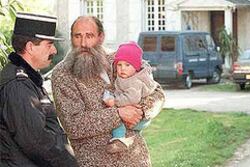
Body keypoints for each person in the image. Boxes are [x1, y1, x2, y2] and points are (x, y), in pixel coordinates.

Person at [51, 16, 165, 166]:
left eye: (89, 36)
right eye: (77, 36)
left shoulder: (120, 59)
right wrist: (118, 114)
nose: (83, 43)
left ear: (101, 37)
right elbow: (73, 124)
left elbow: (158, 93)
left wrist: (141, 111)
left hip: (136, 159)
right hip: (96, 162)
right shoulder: (62, 74)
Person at [0, 12, 78, 167]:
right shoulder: (18, 85)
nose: (54, 51)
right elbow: (36, 142)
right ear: (30, 47)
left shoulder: (27, 79)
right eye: (49, 44)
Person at [103, 41, 161, 154]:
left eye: (127, 65)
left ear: (136, 67)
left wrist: (114, 101)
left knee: (116, 120)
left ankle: (119, 139)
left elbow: (132, 99)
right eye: (119, 65)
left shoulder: (135, 81)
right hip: (137, 116)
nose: (122, 69)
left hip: (141, 119)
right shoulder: (126, 77)